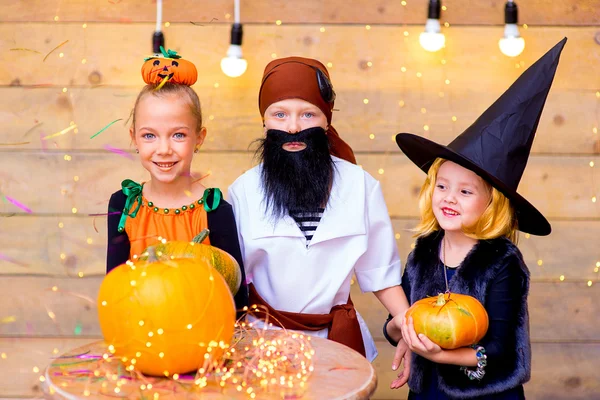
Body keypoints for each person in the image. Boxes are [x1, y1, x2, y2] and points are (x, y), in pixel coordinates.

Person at [383, 38, 567, 399]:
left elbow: (503, 353)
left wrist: (442, 353)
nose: (450, 198)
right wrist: (401, 330)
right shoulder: (423, 251)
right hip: (428, 392)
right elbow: (396, 322)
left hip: (484, 395)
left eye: (466, 192)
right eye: (443, 186)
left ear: (491, 205)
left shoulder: (502, 263)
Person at [228, 56, 410, 362]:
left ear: (327, 121)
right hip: (263, 343)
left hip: (335, 343)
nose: (294, 127)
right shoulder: (243, 190)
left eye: (308, 114)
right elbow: (231, 279)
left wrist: (408, 327)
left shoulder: (360, 186)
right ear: (264, 121)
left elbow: (381, 273)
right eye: (280, 114)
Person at [106, 48, 248, 313]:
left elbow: (237, 299)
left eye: (178, 135)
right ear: (133, 138)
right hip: (140, 335)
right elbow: (114, 290)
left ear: (199, 138)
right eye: (149, 136)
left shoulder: (215, 210)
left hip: (203, 340)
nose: (163, 149)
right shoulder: (124, 204)